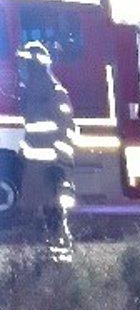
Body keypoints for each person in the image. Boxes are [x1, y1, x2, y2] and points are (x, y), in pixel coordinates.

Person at [16, 40, 77, 258]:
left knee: (56, 216)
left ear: (37, 66)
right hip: (35, 169)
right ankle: (50, 262)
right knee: (40, 218)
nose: (21, 69)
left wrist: (61, 168)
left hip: (52, 170)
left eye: (25, 64)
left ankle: (62, 260)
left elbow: (66, 131)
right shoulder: (31, 94)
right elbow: (32, 132)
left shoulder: (55, 93)